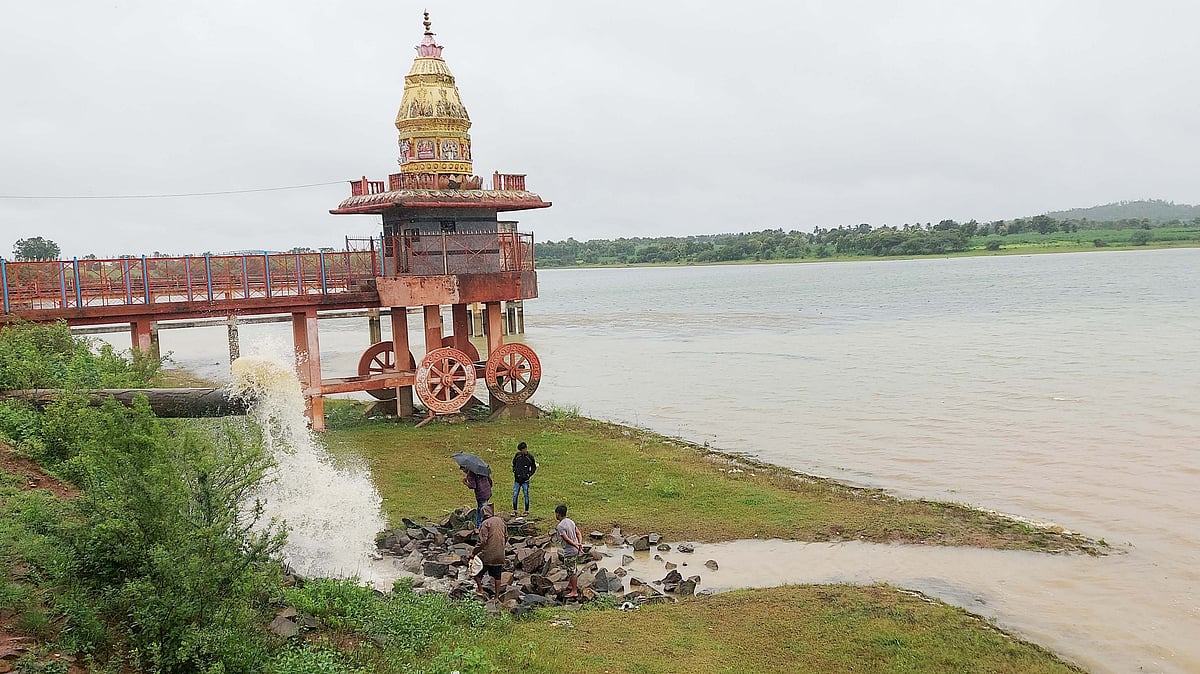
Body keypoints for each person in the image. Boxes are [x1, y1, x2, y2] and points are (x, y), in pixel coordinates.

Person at [470, 504, 506, 598]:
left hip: (487, 554)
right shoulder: (501, 521)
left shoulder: (485, 523)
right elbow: (506, 536)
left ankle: (480, 589)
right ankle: (497, 596)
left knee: (476, 571)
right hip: (500, 554)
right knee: (497, 576)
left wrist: (473, 553)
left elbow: (482, 542)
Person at [554, 503, 583, 599]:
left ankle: (574, 591)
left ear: (558, 514)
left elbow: (566, 538)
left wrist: (575, 544)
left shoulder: (560, 526)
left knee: (571, 571)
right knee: (573, 568)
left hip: (570, 550)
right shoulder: (571, 521)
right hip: (576, 549)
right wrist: (579, 544)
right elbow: (578, 533)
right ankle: (570, 585)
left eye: (556, 513)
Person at [511, 441, 537, 514]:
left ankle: (526, 510)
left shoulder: (530, 457)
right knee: (515, 494)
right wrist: (514, 470)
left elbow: (534, 467)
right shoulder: (517, 455)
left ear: (525, 449)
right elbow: (514, 463)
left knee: (526, 495)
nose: (521, 452)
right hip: (517, 479)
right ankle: (515, 510)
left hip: (525, 480)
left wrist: (529, 474)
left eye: (522, 450)